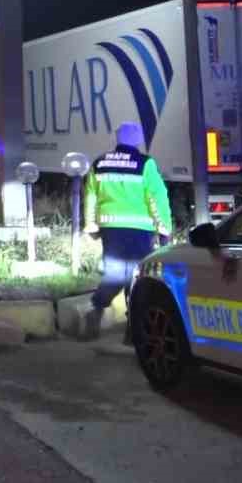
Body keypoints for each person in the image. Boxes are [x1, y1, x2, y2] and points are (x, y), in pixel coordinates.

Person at [82, 121, 173, 341]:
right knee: (137, 277)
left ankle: (96, 309)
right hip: (140, 230)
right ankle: (133, 330)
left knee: (114, 272)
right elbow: (157, 198)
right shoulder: (145, 164)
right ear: (139, 140)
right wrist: (164, 230)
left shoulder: (100, 163)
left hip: (111, 229)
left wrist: (91, 225)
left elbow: (91, 196)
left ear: (118, 138)